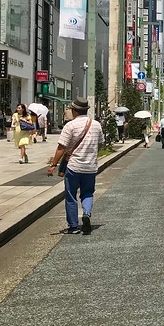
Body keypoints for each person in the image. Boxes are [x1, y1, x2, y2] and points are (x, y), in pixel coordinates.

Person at [47, 97, 103, 235]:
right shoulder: (96, 124)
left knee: (71, 195)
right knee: (88, 192)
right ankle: (86, 213)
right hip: (90, 166)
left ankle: (73, 226)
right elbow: (100, 143)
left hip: (73, 166)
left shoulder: (70, 126)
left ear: (74, 111)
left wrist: (54, 164)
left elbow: (61, 147)